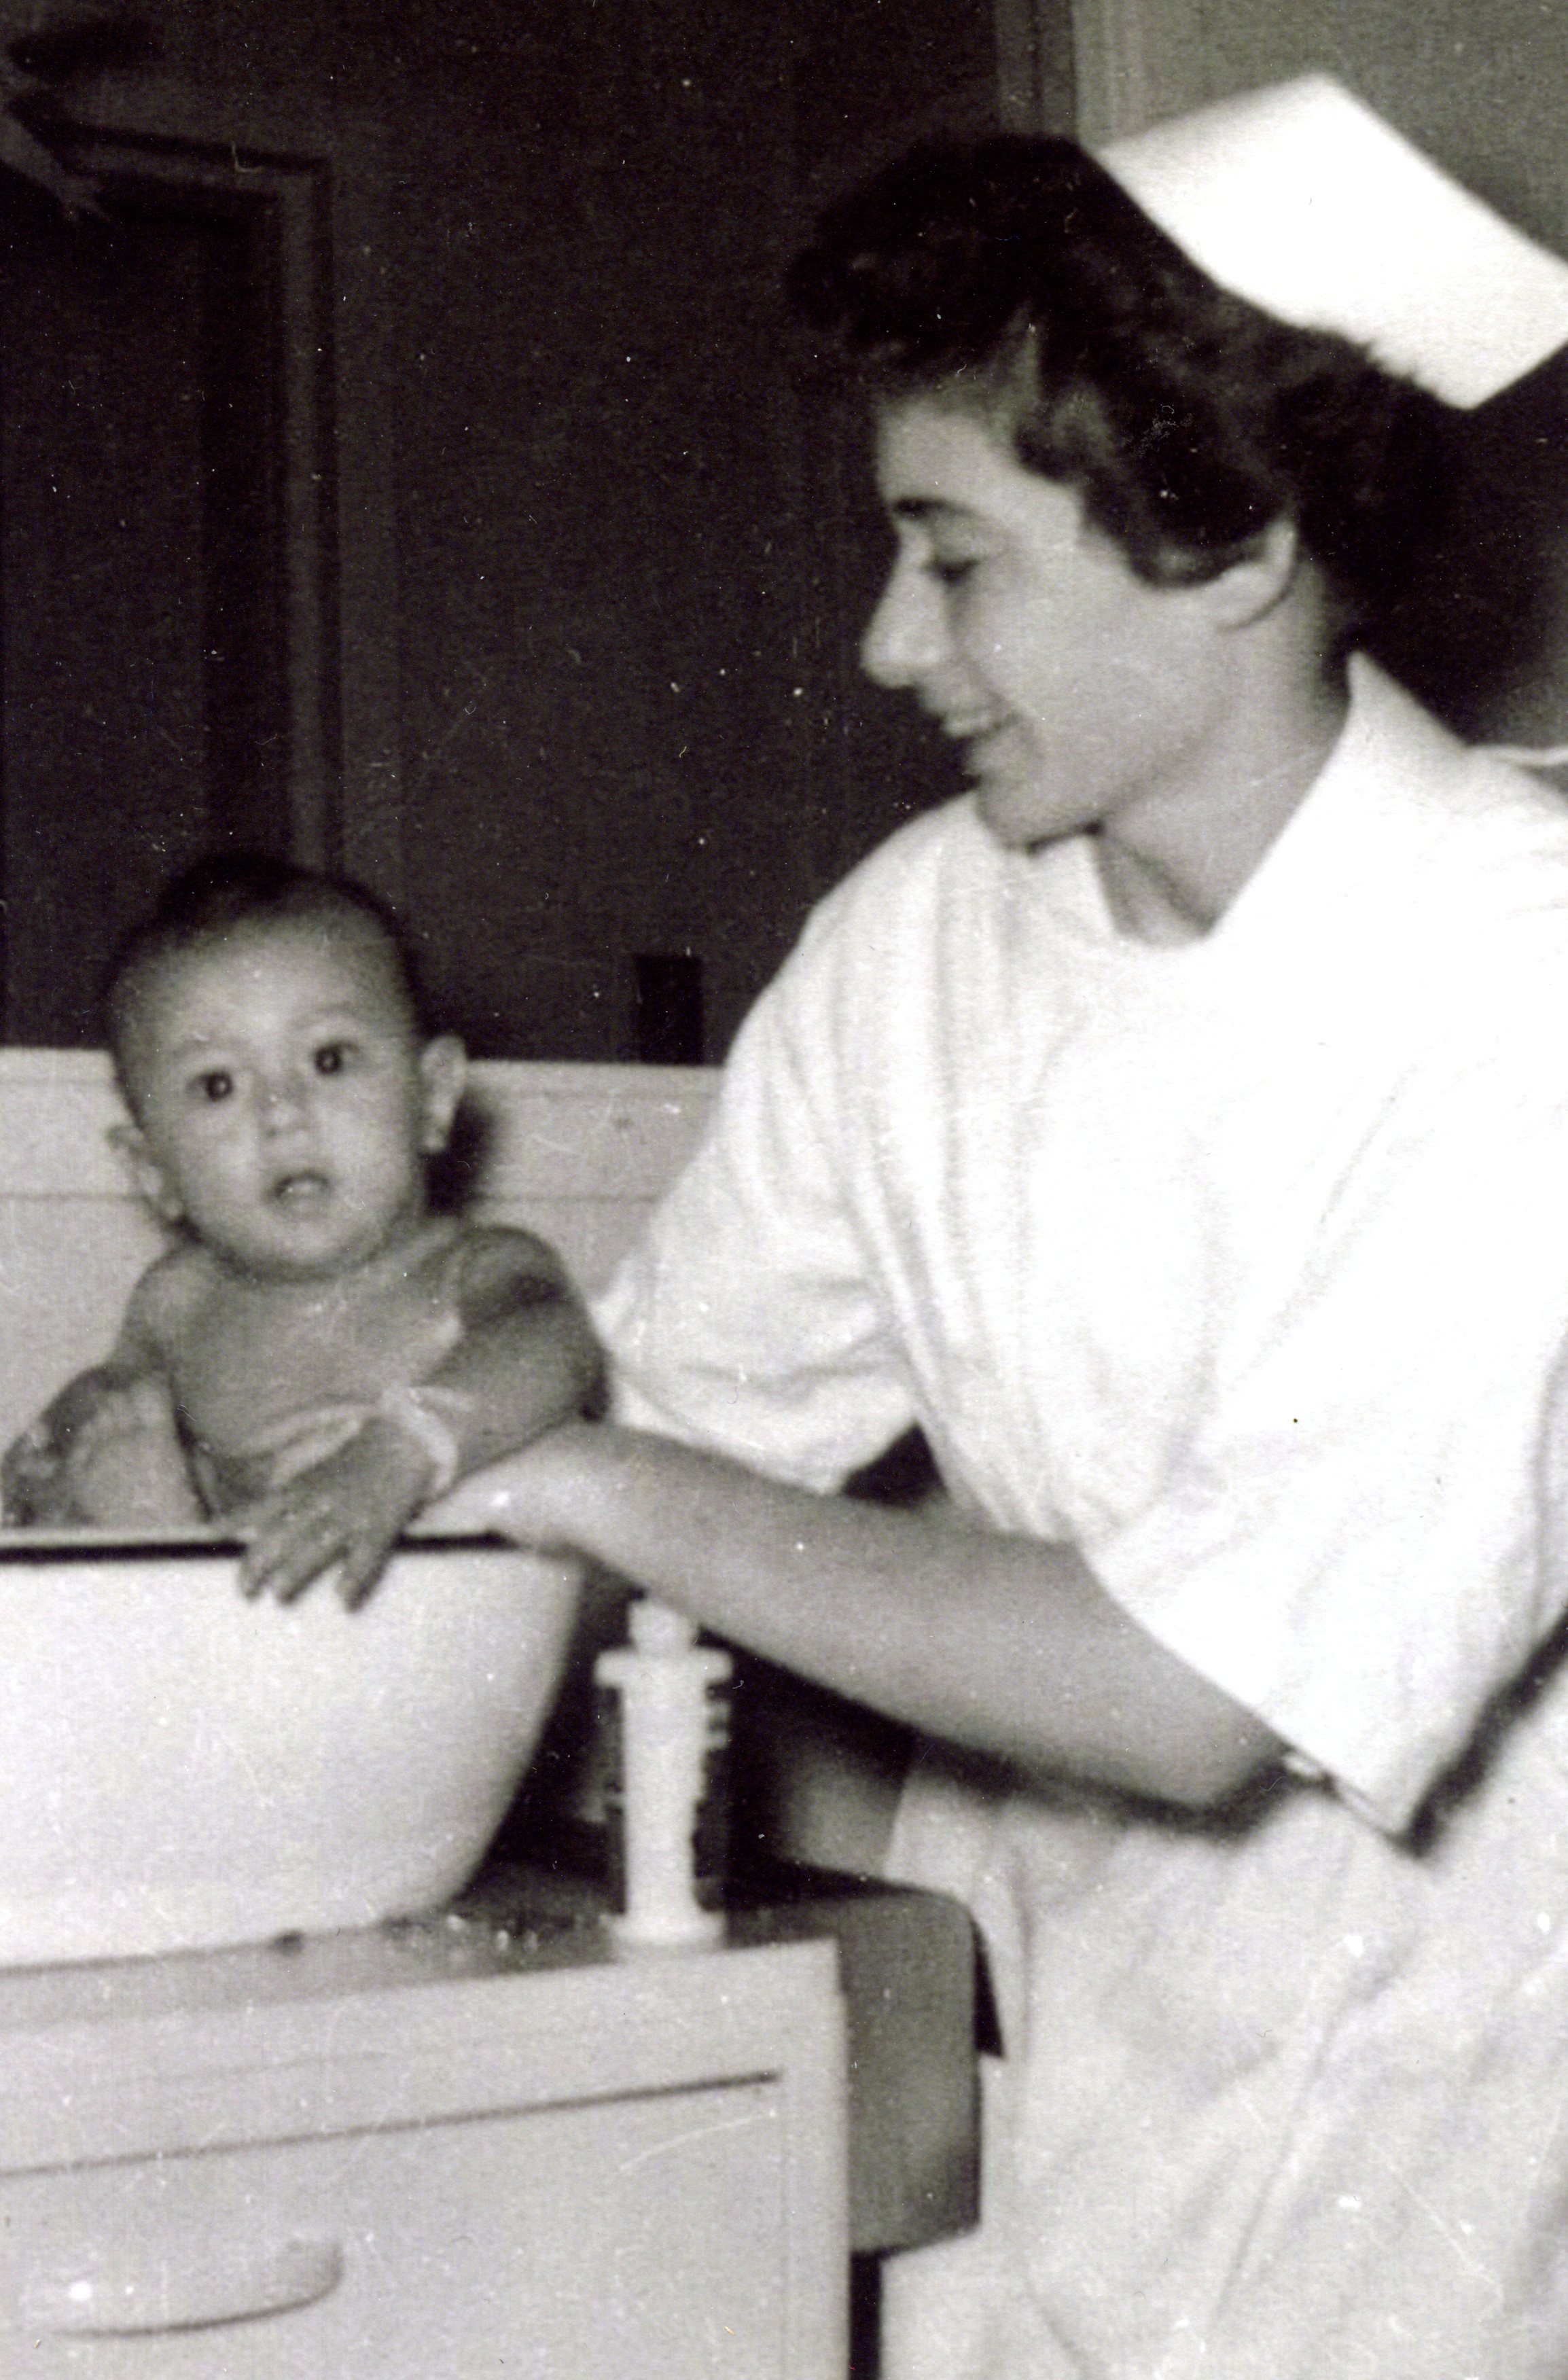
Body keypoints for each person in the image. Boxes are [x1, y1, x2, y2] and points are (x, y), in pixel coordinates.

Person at [439, 76, 1568, 2380]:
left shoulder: (1517, 981)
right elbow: (659, 1399)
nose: (878, 641)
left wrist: (590, 1474)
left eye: (949, 558)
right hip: (1030, 2093)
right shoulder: (921, 936)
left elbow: (1180, 1697)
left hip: (1461, 2129)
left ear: (1233, 541)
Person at [2, 853, 601, 1606]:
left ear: (433, 1096)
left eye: (330, 1058)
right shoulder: (177, 1302)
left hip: (444, 1642)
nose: (281, 1111)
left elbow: (558, 1348)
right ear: (152, 1167)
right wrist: (80, 1457)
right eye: (218, 1084)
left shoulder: (474, 1270)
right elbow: (75, 1438)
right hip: (247, 1655)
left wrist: (393, 1456)